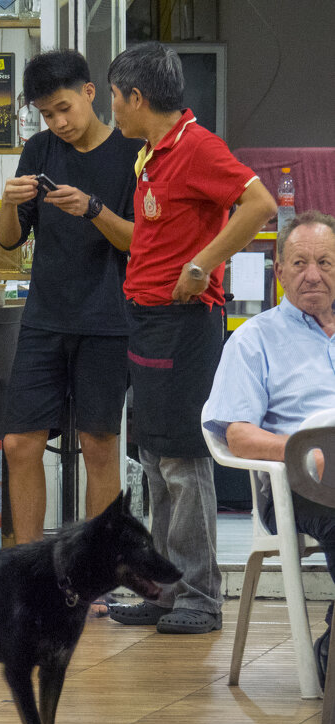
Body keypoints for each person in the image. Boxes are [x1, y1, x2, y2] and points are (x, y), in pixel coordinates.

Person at [104, 42, 277, 634]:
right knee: (154, 457)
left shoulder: (198, 146)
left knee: (183, 457)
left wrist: (203, 264)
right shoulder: (154, 153)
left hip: (184, 324)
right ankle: (166, 588)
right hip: (148, 319)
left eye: (114, 98)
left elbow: (260, 204)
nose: (113, 111)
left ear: (137, 97)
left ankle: (201, 594)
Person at [0, 50, 138, 620]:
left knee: (99, 446)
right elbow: (8, 242)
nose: (57, 122)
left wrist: (92, 208)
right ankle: (33, 571)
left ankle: (90, 580)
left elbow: (138, 242)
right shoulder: (40, 150)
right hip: (44, 318)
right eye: (46, 114)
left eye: (63, 108)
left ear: (90, 92)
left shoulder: (131, 152)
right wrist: (7, 206)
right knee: (19, 443)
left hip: (108, 320)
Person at [203, 210, 335, 686]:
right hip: (302, 486)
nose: (312, 274)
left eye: (324, 261)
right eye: (299, 263)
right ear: (278, 271)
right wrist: (305, 453)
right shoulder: (254, 340)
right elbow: (237, 435)